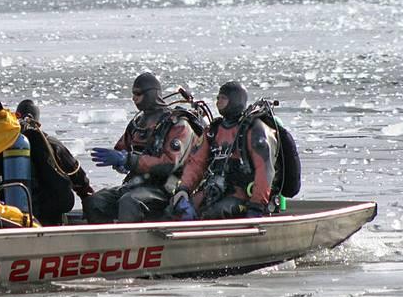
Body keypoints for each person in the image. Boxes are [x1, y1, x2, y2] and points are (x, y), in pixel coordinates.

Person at [85, 72, 201, 223]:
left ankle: (131, 243)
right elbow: (122, 148)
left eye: (138, 94)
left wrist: (128, 160)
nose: (134, 98)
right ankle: (104, 243)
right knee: (96, 201)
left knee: (129, 202)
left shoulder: (177, 125)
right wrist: (118, 161)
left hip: (165, 189)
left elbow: (169, 164)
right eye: (133, 94)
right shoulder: (138, 123)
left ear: (152, 94)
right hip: (136, 184)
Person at [170, 81, 278, 220]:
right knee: (173, 211)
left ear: (236, 100)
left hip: (243, 196)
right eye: (218, 98)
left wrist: (256, 205)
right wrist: (184, 190)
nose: (218, 102)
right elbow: (196, 163)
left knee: (213, 214)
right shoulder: (213, 131)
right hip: (215, 191)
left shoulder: (254, 130)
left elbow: (265, 170)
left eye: (223, 98)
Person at [11, 99, 93, 225]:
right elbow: (76, 173)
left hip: (13, 213)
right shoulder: (51, 143)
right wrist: (86, 197)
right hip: (50, 212)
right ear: (38, 123)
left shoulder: (6, 144)